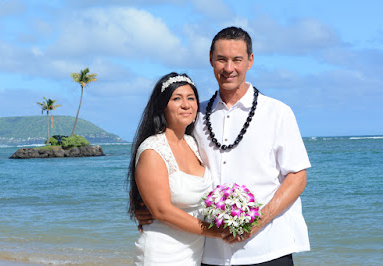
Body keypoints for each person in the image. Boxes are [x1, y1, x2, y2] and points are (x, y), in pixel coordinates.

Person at [136, 27, 311, 266]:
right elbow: (164, 159)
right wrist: (148, 209)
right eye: (221, 59)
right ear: (211, 60)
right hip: (211, 255)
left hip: (268, 248)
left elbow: (297, 177)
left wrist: (258, 221)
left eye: (237, 59)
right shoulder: (196, 117)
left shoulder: (277, 113)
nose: (229, 68)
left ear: (250, 61)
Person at [127, 72, 227, 265]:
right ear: (162, 105)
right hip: (162, 253)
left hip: (194, 252)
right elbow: (162, 211)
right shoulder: (152, 150)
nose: (186, 105)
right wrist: (216, 232)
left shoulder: (194, 143)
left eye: (191, 98)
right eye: (176, 99)